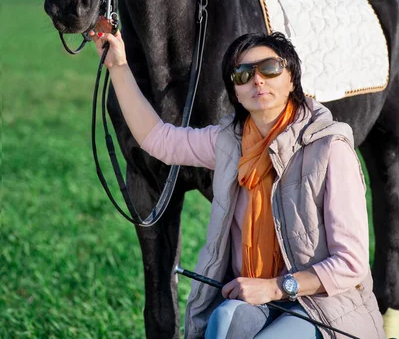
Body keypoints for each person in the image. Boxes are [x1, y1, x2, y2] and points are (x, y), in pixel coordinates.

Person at [90, 24, 385, 339]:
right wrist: (119, 67)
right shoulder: (230, 141)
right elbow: (160, 140)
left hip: (325, 302)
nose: (257, 79)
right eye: (243, 74)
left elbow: (351, 263)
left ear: (292, 80)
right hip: (255, 292)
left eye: (270, 69)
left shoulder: (329, 147)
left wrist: (275, 287)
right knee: (224, 321)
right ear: (234, 91)